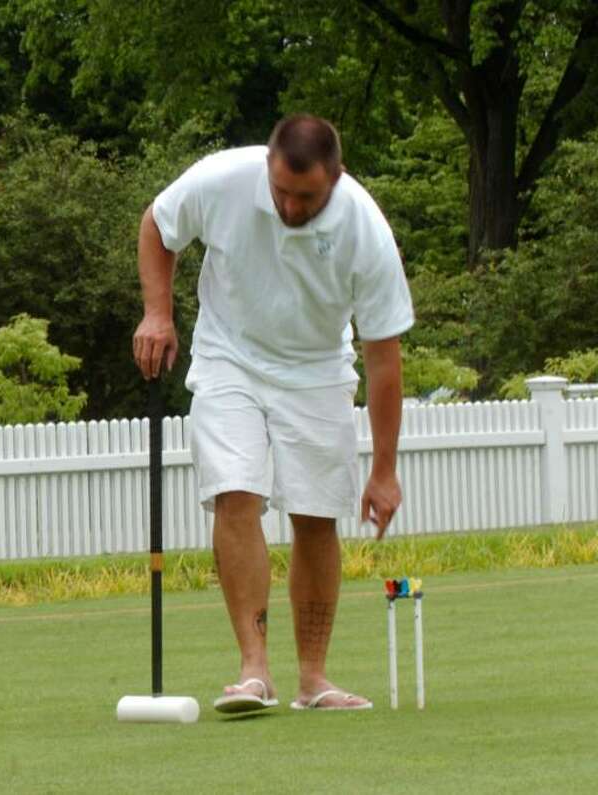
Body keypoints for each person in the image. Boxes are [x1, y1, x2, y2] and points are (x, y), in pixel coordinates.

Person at [133, 114, 413, 713]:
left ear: (334, 178)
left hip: (316, 369)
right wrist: (158, 312)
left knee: (315, 516)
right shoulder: (224, 179)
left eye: (305, 197)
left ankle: (314, 679)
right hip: (229, 354)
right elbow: (158, 225)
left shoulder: (365, 228)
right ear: (268, 164)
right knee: (237, 493)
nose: (288, 206)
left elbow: (385, 361)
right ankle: (254, 670)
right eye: (281, 190)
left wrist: (384, 470)